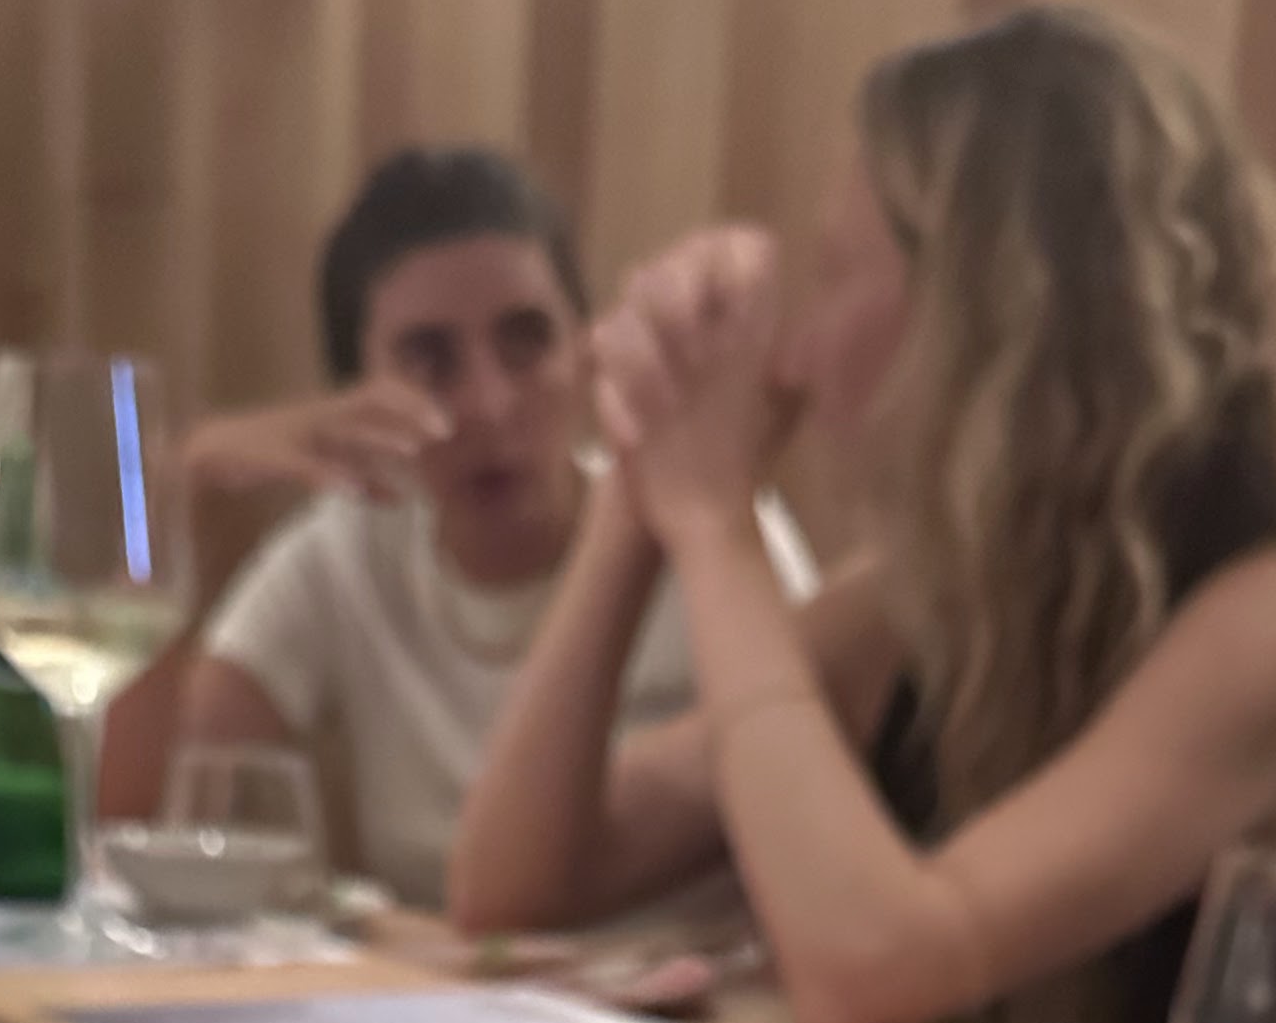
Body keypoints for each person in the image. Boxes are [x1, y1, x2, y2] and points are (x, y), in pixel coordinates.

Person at [447, 6, 1276, 1023]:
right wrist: (635, 490)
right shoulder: (912, 606)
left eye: (837, 274)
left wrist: (713, 525)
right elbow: (510, 882)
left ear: (991, 315)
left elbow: (872, 968)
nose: (795, 356)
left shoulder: (1267, 623)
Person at [96, 143, 815, 906]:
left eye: (527, 342)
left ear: (586, 352)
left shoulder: (710, 534)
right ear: (357, 394)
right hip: (440, 972)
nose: (489, 405)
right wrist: (180, 493)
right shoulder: (349, 552)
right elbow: (141, 819)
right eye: (430, 360)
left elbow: (808, 824)